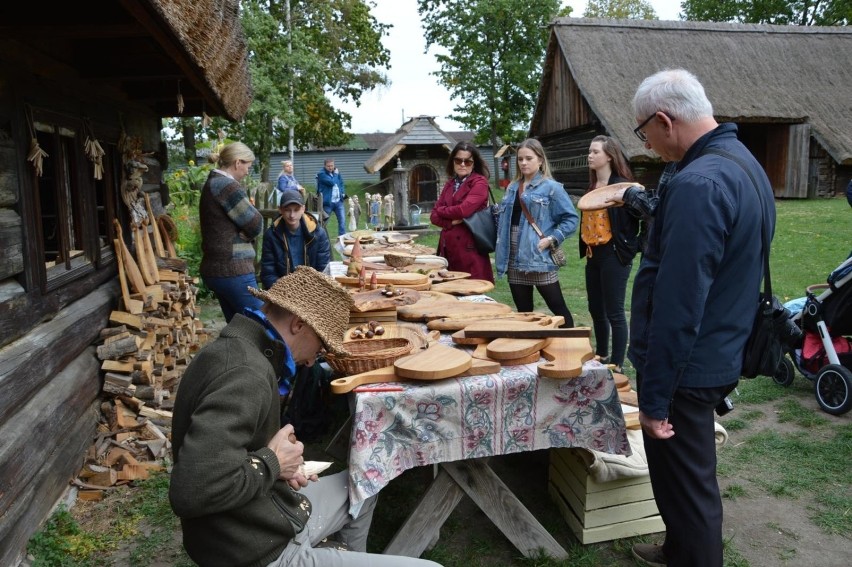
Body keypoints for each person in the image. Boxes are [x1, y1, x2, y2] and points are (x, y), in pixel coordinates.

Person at [170, 266, 443, 567]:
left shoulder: (236, 351)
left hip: (255, 520)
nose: (314, 359)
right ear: (299, 324)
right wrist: (271, 463)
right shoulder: (246, 374)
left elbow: (227, 456)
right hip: (252, 550)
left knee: (365, 485)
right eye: (321, 346)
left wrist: (278, 468)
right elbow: (190, 491)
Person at [626, 69, 775, 567]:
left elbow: (679, 303)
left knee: (690, 490)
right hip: (717, 346)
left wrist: (654, 394)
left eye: (642, 131)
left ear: (664, 120)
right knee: (676, 479)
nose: (645, 143)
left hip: (689, 364)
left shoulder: (699, 181)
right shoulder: (742, 162)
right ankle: (677, 550)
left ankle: (692, 554)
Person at [494, 138, 578, 327]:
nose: (523, 163)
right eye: (520, 159)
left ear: (540, 160)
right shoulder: (512, 187)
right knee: (524, 313)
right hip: (513, 255)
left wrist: (552, 238)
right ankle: (531, 351)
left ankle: (572, 344)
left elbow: (571, 219)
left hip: (538, 254)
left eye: (529, 158)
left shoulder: (552, 188)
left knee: (558, 308)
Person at [579, 136, 641, 372]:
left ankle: (616, 363)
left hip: (614, 254)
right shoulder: (591, 188)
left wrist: (633, 246)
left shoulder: (624, 188)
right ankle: (602, 353)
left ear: (609, 156)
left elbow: (643, 218)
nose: (590, 156)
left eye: (595, 152)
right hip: (592, 253)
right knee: (596, 308)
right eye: (589, 151)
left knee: (614, 310)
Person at [199, 141, 264, 322]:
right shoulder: (227, 186)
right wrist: (248, 233)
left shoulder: (213, 183)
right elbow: (256, 223)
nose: (247, 171)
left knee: (238, 329)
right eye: (248, 166)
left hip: (218, 270)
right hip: (233, 270)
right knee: (263, 325)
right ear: (237, 163)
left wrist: (244, 232)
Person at [430, 141, 495, 282]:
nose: (463, 164)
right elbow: (433, 217)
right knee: (450, 292)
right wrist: (451, 221)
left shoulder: (479, 183)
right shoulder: (450, 184)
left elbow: (463, 210)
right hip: (448, 248)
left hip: (469, 249)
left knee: (472, 292)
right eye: (458, 160)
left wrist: (441, 210)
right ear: (453, 161)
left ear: (474, 163)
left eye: (468, 161)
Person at [260, 189, 331, 289]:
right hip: (282, 291)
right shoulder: (271, 235)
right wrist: (286, 290)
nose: (292, 215)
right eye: (287, 210)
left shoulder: (318, 233)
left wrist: (308, 290)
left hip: (313, 290)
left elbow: (324, 270)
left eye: (296, 210)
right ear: (280, 209)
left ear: (303, 209)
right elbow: (268, 273)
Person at [316, 158, 347, 237]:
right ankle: (319, 238)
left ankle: (342, 239)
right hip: (327, 203)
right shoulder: (321, 174)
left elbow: (341, 183)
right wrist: (336, 174)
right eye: (328, 166)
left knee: (342, 221)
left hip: (338, 201)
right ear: (324, 166)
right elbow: (332, 182)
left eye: (332, 166)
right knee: (323, 222)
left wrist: (342, 192)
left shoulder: (336, 172)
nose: (330, 167)